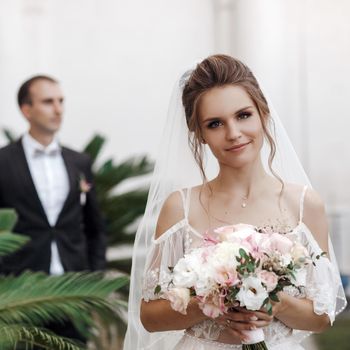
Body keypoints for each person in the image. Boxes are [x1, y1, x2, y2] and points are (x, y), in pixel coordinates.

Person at [124, 55, 347, 350]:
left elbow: (322, 317)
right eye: (215, 123)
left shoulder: (305, 204)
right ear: (200, 134)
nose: (233, 134)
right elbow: (150, 316)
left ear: (263, 113)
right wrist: (210, 302)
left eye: (243, 115)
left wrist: (275, 304)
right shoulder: (180, 208)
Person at [0, 75, 106, 340]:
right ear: (26, 109)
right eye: (48, 102)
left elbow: (95, 228)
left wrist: (93, 282)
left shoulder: (79, 162)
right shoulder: (3, 162)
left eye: (61, 101)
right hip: (21, 292)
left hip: (73, 291)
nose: (58, 109)